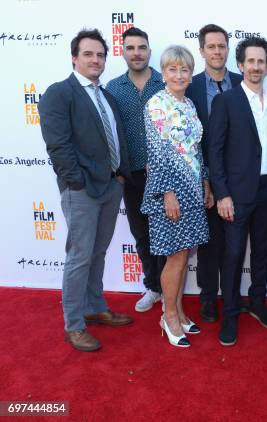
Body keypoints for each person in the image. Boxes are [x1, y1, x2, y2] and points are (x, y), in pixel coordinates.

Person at [39, 29, 133, 352]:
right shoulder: (59, 93)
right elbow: (58, 145)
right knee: (79, 256)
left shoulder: (104, 95)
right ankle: (74, 325)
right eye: (89, 54)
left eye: (101, 55)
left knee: (98, 252)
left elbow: (115, 137)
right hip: (81, 190)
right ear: (74, 58)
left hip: (110, 186)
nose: (96, 60)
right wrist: (76, 181)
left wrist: (119, 177)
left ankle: (94, 307)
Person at [208, 36, 267, 346]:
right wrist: (222, 193)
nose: (255, 66)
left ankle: (258, 302)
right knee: (234, 254)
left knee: (262, 251)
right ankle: (231, 315)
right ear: (239, 65)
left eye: (261, 61)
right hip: (236, 194)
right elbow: (215, 150)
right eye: (250, 61)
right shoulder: (225, 101)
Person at [141, 45, 209, 348]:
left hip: (192, 189)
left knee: (183, 255)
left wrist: (205, 181)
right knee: (176, 256)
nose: (179, 75)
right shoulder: (157, 104)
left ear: (190, 73)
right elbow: (157, 153)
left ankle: (179, 311)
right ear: (164, 72)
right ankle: (168, 316)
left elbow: (195, 149)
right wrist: (168, 193)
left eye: (184, 70)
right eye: (172, 69)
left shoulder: (190, 104)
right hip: (169, 190)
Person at [185, 24, 243, 323]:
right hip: (204, 178)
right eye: (212, 47)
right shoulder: (190, 87)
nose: (217, 51)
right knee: (208, 242)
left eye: (222, 46)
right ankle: (208, 297)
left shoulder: (242, 82)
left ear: (228, 49)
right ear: (202, 50)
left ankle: (233, 294)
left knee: (235, 240)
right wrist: (206, 180)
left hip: (239, 176)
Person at [106, 27, 166, 313]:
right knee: (142, 234)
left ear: (149, 51)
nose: (137, 53)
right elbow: (109, 132)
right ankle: (153, 287)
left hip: (165, 173)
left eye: (141, 47)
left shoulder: (165, 82)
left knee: (166, 232)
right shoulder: (113, 88)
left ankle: (170, 288)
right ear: (123, 52)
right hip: (132, 176)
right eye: (130, 48)